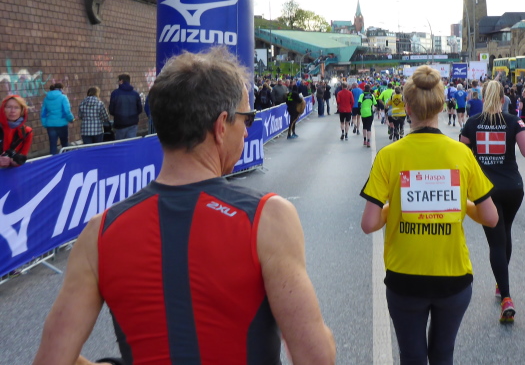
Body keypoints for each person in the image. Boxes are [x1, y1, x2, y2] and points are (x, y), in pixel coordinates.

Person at [32, 47, 336, 365]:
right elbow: (315, 356)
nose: (248, 131)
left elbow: (52, 359)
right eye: (247, 118)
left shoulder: (99, 232)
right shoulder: (268, 217)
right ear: (221, 126)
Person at [360, 65, 498, 365]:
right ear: (442, 106)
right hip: (453, 276)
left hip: (405, 278)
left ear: (407, 108)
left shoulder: (389, 155)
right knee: (443, 354)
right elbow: (491, 218)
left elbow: (369, 224)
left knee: (412, 357)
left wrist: (394, 207)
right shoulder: (461, 154)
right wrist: (460, 204)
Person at [460, 80, 525, 323]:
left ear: (483, 98)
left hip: (486, 191)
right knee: (505, 232)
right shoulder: (514, 121)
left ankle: (506, 297)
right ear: (504, 100)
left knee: (496, 242)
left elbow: (461, 156)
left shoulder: (472, 123)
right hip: (513, 188)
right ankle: (501, 285)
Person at [41, 83, 75, 155]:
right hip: (62, 124)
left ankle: (53, 159)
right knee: (64, 144)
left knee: (53, 145)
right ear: (61, 89)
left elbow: (43, 113)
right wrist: (71, 119)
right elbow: (67, 111)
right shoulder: (63, 97)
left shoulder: (46, 99)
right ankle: (65, 159)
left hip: (50, 124)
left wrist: (45, 124)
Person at [1, 94, 33, 168]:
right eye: (9, 107)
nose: (12, 111)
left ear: (22, 111)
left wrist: (15, 162)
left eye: (16, 107)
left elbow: (22, 156)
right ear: (3, 109)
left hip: (13, 171)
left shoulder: (26, 132)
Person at [109, 74, 142, 140]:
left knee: (120, 144)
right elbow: (140, 109)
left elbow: (111, 110)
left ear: (121, 81)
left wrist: (117, 115)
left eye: (118, 81)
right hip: (133, 123)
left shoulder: (115, 93)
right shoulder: (135, 94)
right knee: (131, 143)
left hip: (120, 123)